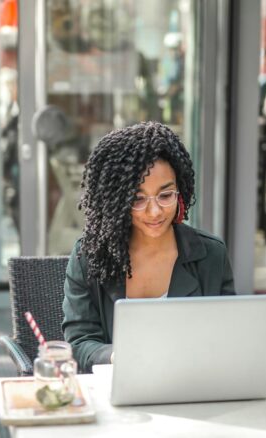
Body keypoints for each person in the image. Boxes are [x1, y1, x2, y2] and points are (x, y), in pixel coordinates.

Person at [62, 121, 236, 372]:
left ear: (181, 192)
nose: (154, 212)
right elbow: (79, 343)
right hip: (117, 391)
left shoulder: (211, 255)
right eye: (137, 199)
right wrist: (116, 356)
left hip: (194, 386)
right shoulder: (88, 256)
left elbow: (228, 337)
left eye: (165, 196)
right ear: (117, 201)